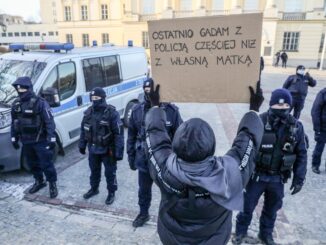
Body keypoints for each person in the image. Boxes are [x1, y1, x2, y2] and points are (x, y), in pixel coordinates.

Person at [142, 80, 264, 245]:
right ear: (211, 146)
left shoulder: (165, 170)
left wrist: (155, 106)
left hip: (172, 238)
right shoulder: (229, 174)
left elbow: (155, 138)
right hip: (214, 239)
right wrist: (254, 110)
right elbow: (247, 142)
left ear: (176, 145)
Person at [234, 88, 308, 245]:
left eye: (285, 107)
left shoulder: (296, 127)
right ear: (271, 105)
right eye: (278, 107)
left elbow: (301, 154)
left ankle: (265, 235)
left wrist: (299, 178)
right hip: (256, 176)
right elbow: (243, 146)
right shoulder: (260, 121)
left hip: (277, 178)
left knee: (271, 210)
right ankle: (240, 232)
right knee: (246, 207)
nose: (282, 110)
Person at [127, 78, 183, 228]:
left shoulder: (171, 111)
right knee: (143, 191)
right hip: (144, 160)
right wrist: (130, 156)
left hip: (165, 162)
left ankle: (171, 218)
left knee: (170, 192)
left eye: (152, 91)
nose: (149, 93)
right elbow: (131, 135)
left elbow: (180, 136)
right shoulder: (137, 111)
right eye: (146, 90)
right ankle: (143, 213)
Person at [11, 77, 58, 198]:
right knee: (32, 164)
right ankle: (39, 181)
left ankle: (52, 183)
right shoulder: (16, 104)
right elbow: (14, 122)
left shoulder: (40, 102)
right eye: (18, 88)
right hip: (26, 141)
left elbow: (49, 122)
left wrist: (51, 138)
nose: (20, 90)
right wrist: (13, 137)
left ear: (28, 88)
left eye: (22, 88)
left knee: (46, 164)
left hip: (40, 140)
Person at [79, 87, 124, 205]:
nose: (94, 100)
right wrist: (82, 144)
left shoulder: (111, 113)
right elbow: (83, 130)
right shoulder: (88, 113)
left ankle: (111, 192)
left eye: (97, 98)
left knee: (110, 172)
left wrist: (118, 152)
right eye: (92, 98)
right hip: (93, 149)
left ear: (103, 98)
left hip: (107, 150)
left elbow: (118, 133)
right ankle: (94, 189)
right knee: (94, 171)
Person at [311, 87, 326, 174]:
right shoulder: (322, 93)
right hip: (323, 127)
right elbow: (315, 111)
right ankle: (315, 165)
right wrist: (317, 129)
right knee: (319, 148)